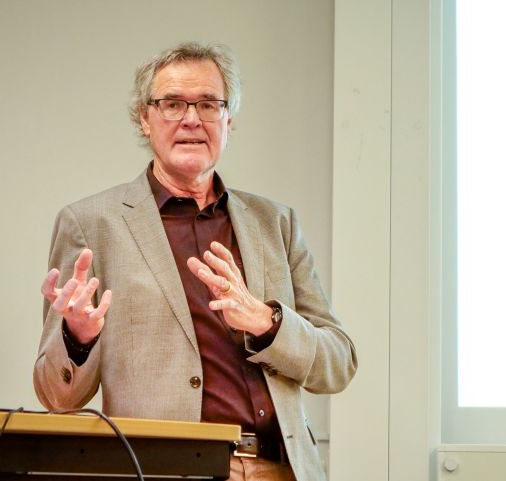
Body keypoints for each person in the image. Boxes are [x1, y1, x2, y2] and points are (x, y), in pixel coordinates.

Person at [32, 42, 357, 481]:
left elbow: (338, 364)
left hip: (282, 470)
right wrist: (78, 337)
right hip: (166, 471)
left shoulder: (276, 222)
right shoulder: (91, 224)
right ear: (145, 119)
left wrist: (267, 321)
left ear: (228, 119)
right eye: (172, 104)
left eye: (208, 104)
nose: (191, 118)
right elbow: (57, 398)